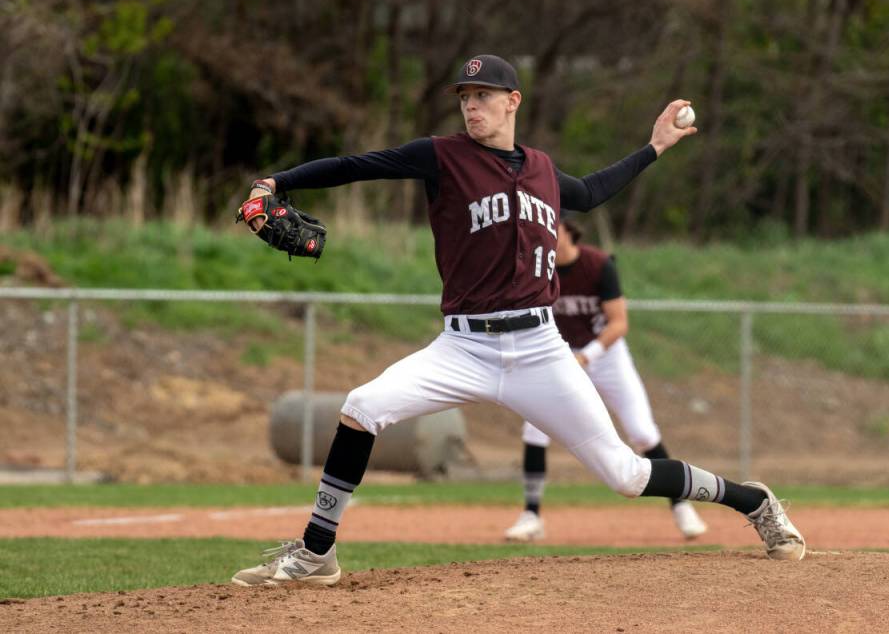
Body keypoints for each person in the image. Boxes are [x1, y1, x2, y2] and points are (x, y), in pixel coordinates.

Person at [232, 54, 805, 587]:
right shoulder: (442, 156)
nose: (471, 106)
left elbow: (591, 192)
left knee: (627, 476)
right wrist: (277, 182)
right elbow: (357, 166)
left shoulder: (542, 170)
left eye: (484, 95)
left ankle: (752, 501)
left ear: (514, 101)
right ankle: (316, 552)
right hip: (461, 349)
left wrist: (653, 148)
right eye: (464, 97)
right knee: (361, 407)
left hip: (538, 349)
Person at [504, 217, 707, 542]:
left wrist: (587, 356)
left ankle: (681, 505)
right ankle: (531, 515)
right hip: (560, 355)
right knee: (535, 428)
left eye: (551, 229)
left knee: (641, 430)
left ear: (569, 231)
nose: (543, 237)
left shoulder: (598, 265)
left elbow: (619, 323)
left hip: (605, 355)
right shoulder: (538, 268)